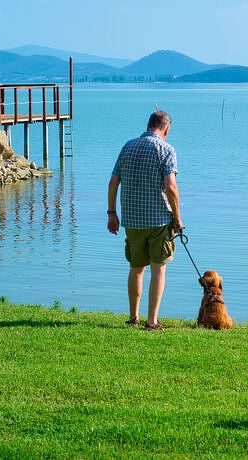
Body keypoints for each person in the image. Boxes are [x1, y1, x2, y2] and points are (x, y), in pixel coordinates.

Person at [107, 111, 183, 331]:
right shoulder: (166, 150)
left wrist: (111, 213)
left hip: (132, 220)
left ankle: (133, 317)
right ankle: (152, 321)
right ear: (166, 128)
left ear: (149, 125)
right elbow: (171, 187)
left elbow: (113, 182)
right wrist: (178, 218)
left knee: (136, 268)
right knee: (158, 269)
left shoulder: (128, 147)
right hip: (159, 220)